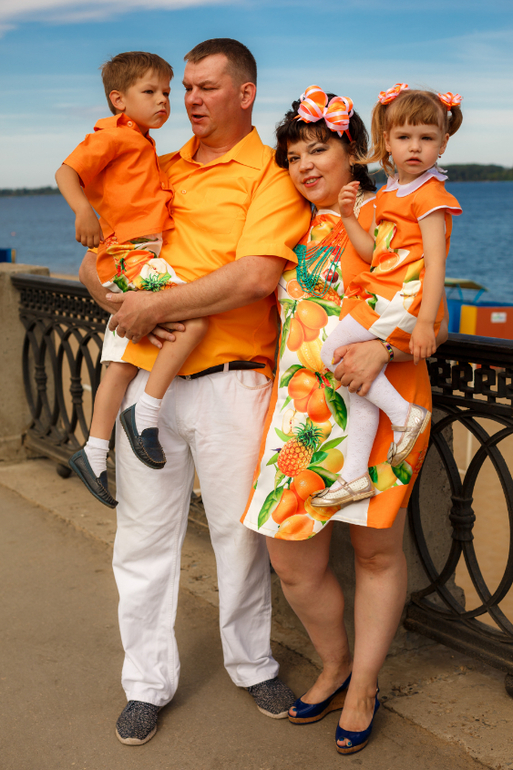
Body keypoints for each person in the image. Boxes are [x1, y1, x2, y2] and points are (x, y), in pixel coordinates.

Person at [78, 39, 311, 745]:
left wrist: (158, 303)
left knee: (239, 539)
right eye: (184, 87)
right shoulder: (157, 164)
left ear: (244, 93)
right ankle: (145, 684)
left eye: (206, 87)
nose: (190, 100)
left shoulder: (271, 174)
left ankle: (251, 664)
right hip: (146, 378)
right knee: (142, 540)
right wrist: (120, 302)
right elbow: (98, 256)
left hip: (232, 383)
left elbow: (255, 276)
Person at [241, 85, 449, 754]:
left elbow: (432, 313)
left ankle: (361, 685)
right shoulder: (290, 229)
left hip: (379, 402)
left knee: (375, 552)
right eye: (293, 156)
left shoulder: (389, 210)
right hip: (299, 418)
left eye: (318, 150)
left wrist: (385, 348)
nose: (304, 165)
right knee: (289, 558)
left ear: (354, 150)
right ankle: (333, 662)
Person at [56, 51, 207, 508]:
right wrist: (83, 211)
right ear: (119, 99)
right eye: (150, 92)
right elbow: (66, 171)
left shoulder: (141, 143)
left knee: (121, 363)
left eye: (167, 92)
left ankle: (93, 452)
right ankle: (145, 414)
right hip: (128, 254)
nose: (163, 100)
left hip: (136, 254)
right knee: (194, 319)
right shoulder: (114, 135)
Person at [311, 84, 463, 509]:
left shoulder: (431, 196)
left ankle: (403, 416)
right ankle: (355, 476)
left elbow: (436, 265)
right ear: (387, 142)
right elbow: (373, 253)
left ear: (442, 143)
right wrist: (347, 216)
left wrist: (425, 324)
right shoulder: (391, 192)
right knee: (356, 380)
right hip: (384, 292)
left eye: (426, 138)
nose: (414, 147)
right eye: (404, 137)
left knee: (331, 352)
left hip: (401, 299)